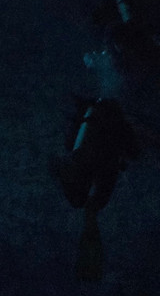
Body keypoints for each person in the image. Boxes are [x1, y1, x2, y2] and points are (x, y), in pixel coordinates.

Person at [50, 97, 140, 281]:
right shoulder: (118, 125)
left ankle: (87, 267)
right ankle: (89, 267)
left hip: (85, 162)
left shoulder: (89, 119)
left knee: (81, 200)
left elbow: (70, 145)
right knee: (90, 204)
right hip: (101, 166)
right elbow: (133, 152)